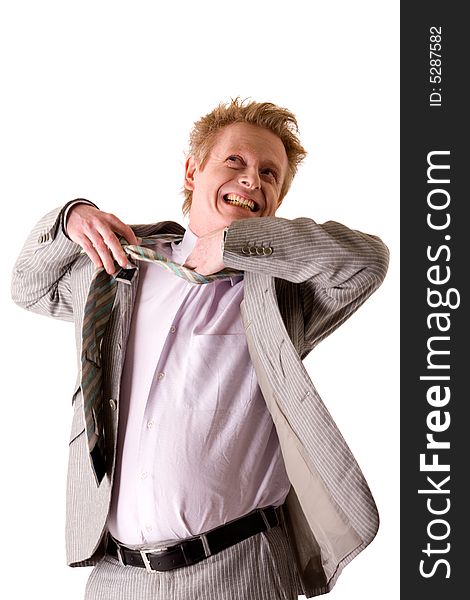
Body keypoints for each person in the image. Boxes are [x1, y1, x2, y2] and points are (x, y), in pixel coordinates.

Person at [11, 98, 389, 600]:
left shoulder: (281, 291)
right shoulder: (117, 273)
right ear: (193, 171)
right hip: (116, 577)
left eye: (269, 174)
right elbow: (28, 287)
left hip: (239, 569)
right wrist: (69, 217)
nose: (252, 179)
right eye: (235, 161)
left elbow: (368, 260)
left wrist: (239, 246)